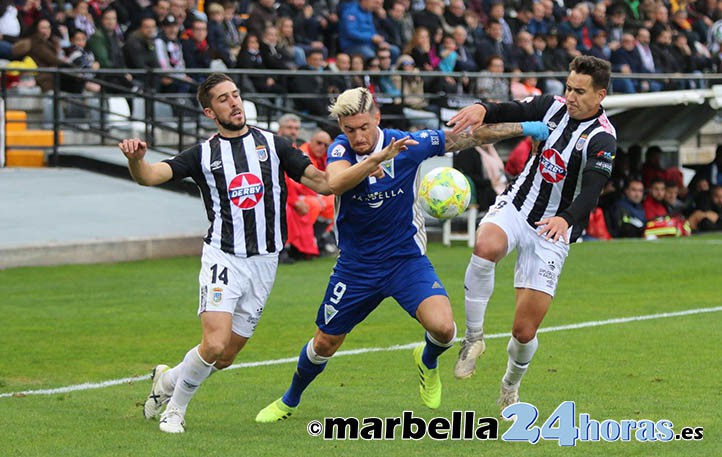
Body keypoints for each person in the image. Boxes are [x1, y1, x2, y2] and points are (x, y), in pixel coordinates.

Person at [255, 87, 550, 422]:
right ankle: (289, 400)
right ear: (341, 126)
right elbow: (335, 183)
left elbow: (463, 137)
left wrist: (524, 128)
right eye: (350, 129)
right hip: (356, 268)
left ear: (377, 118)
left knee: (444, 329)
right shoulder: (341, 150)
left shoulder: (407, 144)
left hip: (405, 260)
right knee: (324, 343)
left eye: (364, 127)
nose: (358, 136)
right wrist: (376, 160)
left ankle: (426, 360)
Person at [119, 73, 330, 434]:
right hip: (224, 256)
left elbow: (324, 182)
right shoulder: (203, 154)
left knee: (226, 356)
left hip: (265, 261)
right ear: (209, 112)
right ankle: (175, 411)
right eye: (223, 99)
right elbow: (150, 175)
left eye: (236, 95)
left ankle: (167, 381)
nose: (234, 103)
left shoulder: (274, 145)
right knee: (214, 343)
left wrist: (375, 161)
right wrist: (137, 160)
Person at [448, 55, 617, 412]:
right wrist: (481, 108)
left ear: (600, 95)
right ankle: (473, 338)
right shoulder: (550, 107)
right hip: (517, 206)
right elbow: (506, 108)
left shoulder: (602, 138)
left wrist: (566, 219)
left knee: (524, 332)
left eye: (580, 91)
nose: (570, 96)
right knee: (485, 246)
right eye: (569, 87)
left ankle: (510, 383)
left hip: (553, 230)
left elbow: (592, 189)